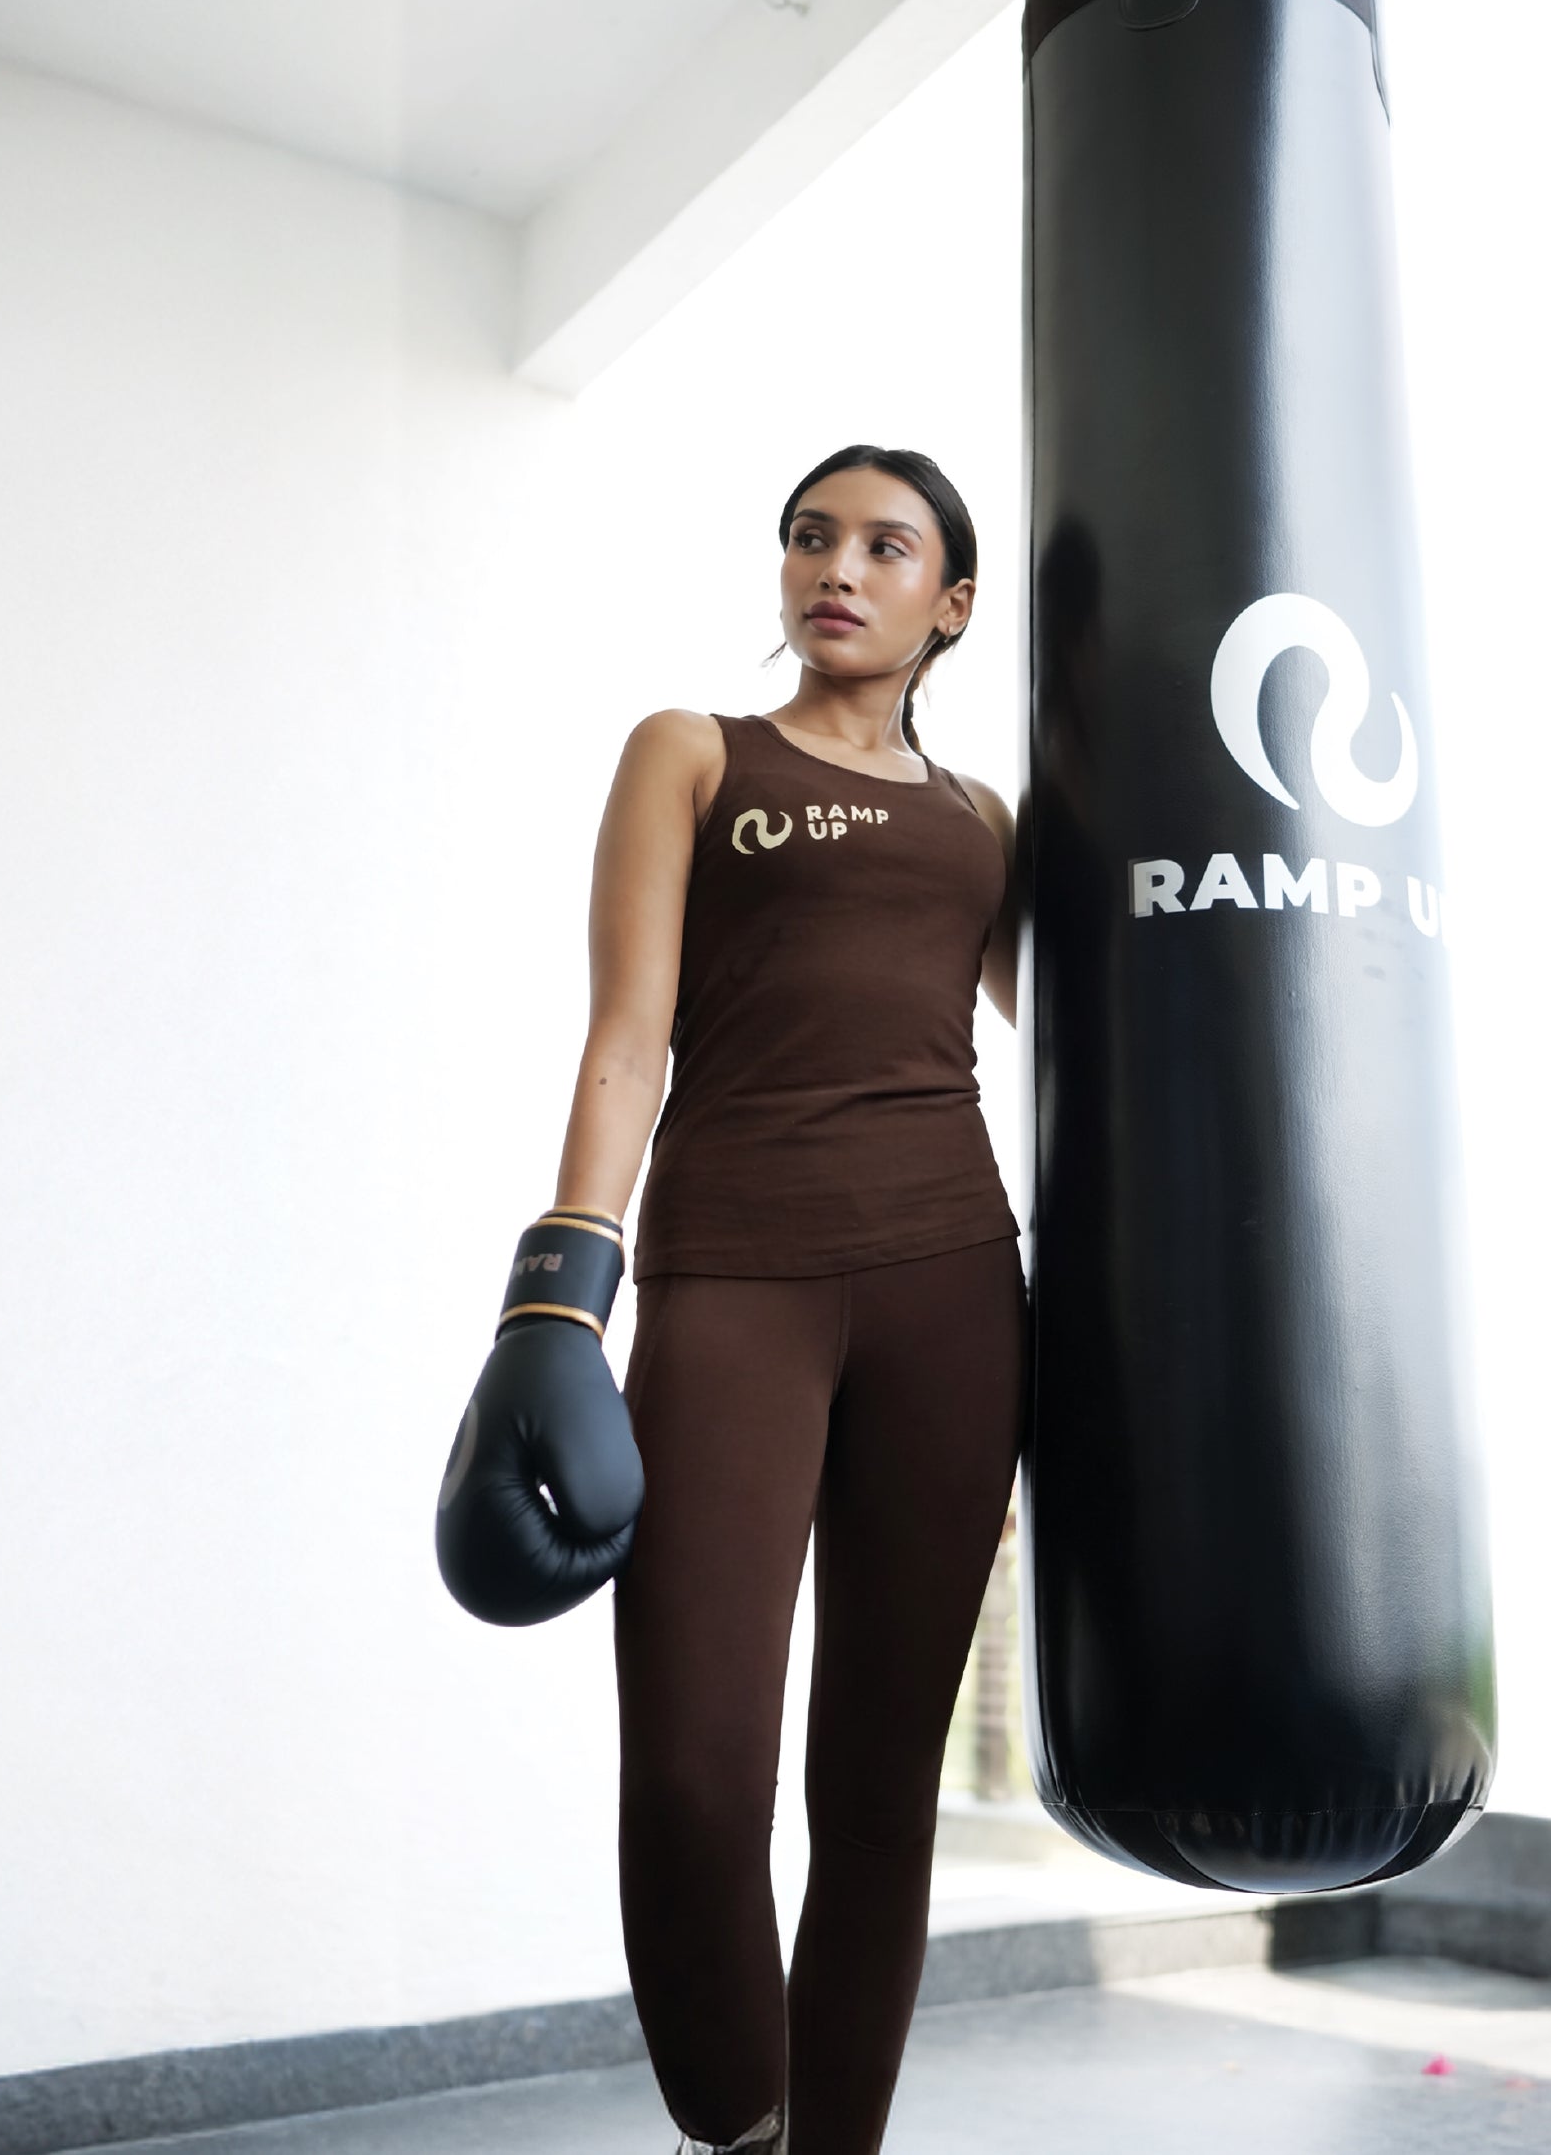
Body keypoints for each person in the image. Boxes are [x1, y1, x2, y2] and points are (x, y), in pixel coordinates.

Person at [551, 445, 1025, 2155]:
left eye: (886, 547)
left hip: (954, 1293)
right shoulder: (694, 756)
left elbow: (1111, 1042)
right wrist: (557, 1301)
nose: (838, 566)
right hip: (730, 1273)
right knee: (691, 1783)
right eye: (812, 537)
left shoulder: (982, 824)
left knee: (882, 1798)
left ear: (948, 603)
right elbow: (624, 1038)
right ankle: (737, 2134)